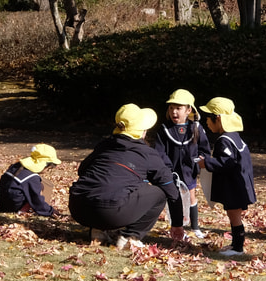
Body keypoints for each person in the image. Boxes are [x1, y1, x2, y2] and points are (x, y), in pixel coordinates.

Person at [68, 104, 183, 249]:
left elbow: (82, 170)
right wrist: (177, 224)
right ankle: (130, 237)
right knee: (159, 193)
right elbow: (171, 190)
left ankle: (98, 231)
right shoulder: (147, 153)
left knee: (104, 188)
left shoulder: (104, 145)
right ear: (141, 132)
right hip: (111, 213)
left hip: (78, 208)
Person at [197, 97, 256, 256]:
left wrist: (207, 163)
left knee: (234, 216)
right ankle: (235, 245)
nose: (206, 123)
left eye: (208, 118)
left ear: (218, 119)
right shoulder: (234, 136)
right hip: (239, 184)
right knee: (233, 214)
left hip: (235, 186)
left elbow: (227, 162)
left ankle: (238, 248)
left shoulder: (225, 140)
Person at [154, 88, 212, 239]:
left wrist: (199, 160)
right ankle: (176, 226)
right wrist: (167, 168)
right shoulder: (164, 129)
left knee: (191, 196)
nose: (174, 112)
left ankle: (195, 227)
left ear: (188, 110)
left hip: (189, 170)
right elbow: (160, 152)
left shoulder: (196, 128)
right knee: (173, 198)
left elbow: (204, 150)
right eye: (171, 108)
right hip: (170, 171)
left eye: (178, 108)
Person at [0, 144, 62, 216]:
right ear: (45, 165)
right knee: (40, 187)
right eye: (49, 168)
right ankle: (22, 210)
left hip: (2, 204)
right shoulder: (32, 178)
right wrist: (50, 211)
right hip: (13, 206)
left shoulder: (18, 165)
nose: (48, 171)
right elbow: (37, 200)